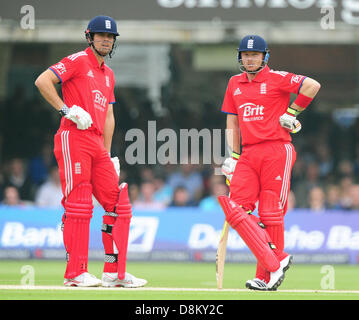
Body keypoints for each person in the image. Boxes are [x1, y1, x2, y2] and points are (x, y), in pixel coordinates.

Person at [35, 15, 147, 288]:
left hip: (97, 144)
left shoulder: (108, 74)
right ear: (90, 37)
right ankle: (75, 272)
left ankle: (114, 272)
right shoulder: (77, 60)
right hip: (73, 136)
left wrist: (107, 154)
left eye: (110, 37)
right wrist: (66, 110)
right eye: (101, 36)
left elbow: (108, 115)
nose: (106, 40)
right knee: (79, 204)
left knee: (119, 204)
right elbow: (42, 81)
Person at [218, 35, 321, 291]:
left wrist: (292, 112)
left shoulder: (277, 78)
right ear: (240, 57)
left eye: (255, 54)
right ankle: (277, 259)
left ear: (265, 57)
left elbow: (312, 86)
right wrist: (233, 156)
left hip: (277, 149)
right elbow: (232, 121)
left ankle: (266, 276)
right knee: (236, 209)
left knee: (270, 215)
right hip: (248, 154)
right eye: (246, 54)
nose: (250, 58)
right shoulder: (234, 83)